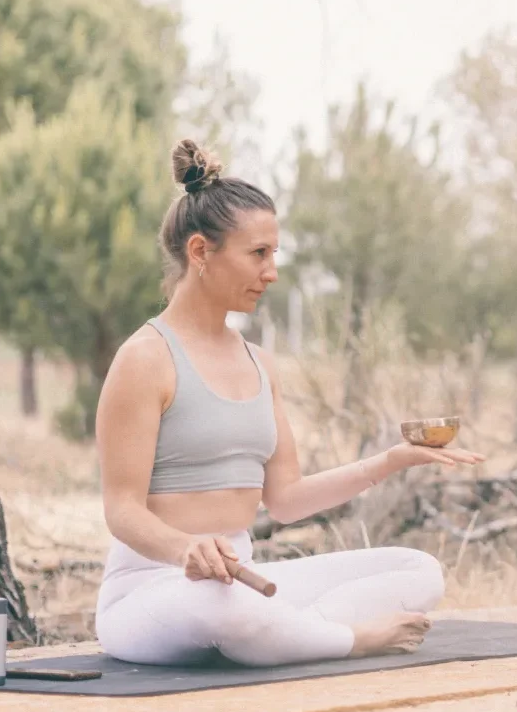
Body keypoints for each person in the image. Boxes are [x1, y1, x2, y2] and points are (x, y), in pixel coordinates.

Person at [93, 139, 482, 668]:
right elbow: (121, 510)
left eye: (274, 254)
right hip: (153, 589)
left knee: (419, 571)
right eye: (258, 254)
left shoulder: (259, 363)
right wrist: (186, 548)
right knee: (224, 606)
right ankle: (347, 639)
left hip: (244, 583)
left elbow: (286, 500)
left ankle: (283, 635)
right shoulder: (144, 359)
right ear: (200, 252)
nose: (272, 271)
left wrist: (391, 461)